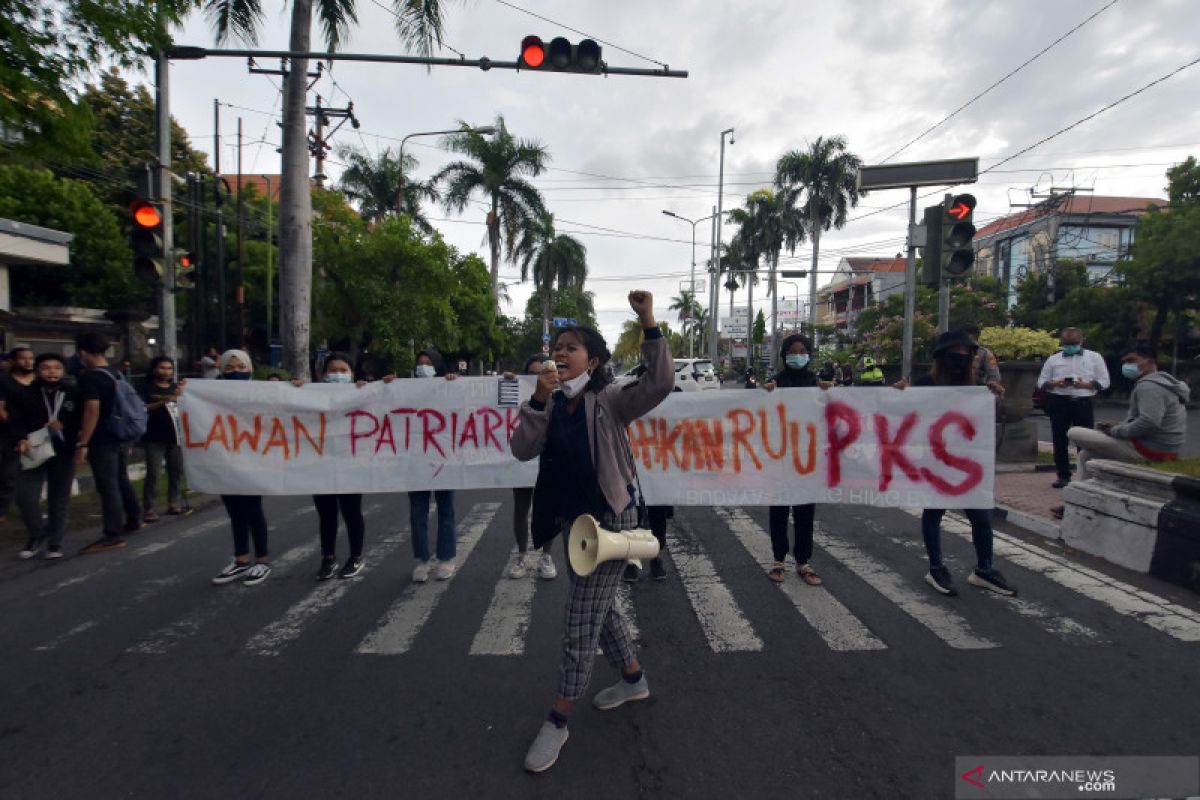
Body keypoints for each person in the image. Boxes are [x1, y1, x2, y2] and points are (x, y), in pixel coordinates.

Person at [512, 290, 672, 774]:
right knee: (599, 610)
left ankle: (558, 720)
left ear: (593, 360)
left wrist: (647, 320)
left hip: (609, 520)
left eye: (571, 348)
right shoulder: (549, 402)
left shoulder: (610, 398)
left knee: (579, 619)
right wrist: (538, 398)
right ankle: (633, 677)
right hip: (570, 521)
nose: (560, 354)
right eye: (556, 347)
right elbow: (522, 449)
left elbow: (660, 381)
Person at [898, 329, 1015, 597]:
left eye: (966, 356)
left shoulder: (977, 389)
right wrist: (901, 395)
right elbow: (905, 415)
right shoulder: (927, 383)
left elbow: (986, 422)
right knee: (934, 512)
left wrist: (993, 397)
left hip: (968, 463)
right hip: (936, 459)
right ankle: (936, 567)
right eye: (955, 355)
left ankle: (984, 570)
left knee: (981, 517)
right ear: (942, 357)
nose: (960, 360)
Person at [763, 334, 832, 585]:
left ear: (809, 354)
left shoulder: (817, 383)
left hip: (807, 459)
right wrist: (766, 392)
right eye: (792, 351)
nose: (797, 355)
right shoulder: (776, 382)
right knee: (779, 511)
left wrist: (829, 392)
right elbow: (758, 407)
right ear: (784, 355)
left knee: (805, 511)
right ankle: (778, 560)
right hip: (780, 457)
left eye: (802, 350)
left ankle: (803, 562)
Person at [1067, 345, 1190, 478]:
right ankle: (1082, 489)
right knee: (1087, 454)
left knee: (1074, 432)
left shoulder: (1149, 386)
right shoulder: (1164, 383)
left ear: (1150, 362)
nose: (1126, 366)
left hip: (1150, 450)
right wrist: (1119, 426)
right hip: (1165, 448)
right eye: (1125, 362)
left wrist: (1115, 431)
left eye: (1131, 361)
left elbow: (1149, 422)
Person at [203, 350, 273, 585]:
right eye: (229, 368)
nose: (236, 372)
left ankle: (262, 560)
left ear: (250, 369)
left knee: (253, 509)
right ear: (221, 371)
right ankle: (241, 559)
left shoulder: (263, 392)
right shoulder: (209, 394)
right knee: (234, 511)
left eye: (241, 367)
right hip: (225, 459)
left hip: (253, 460)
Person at [74, 332, 142, 554]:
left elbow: (92, 409)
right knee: (121, 479)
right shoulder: (117, 374)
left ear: (83, 352)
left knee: (108, 485)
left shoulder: (90, 377)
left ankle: (112, 534)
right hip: (121, 435)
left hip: (102, 439)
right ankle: (134, 518)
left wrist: (84, 442)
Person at [13, 354, 81, 559]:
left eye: (57, 368)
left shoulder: (73, 393)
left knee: (58, 498)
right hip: (34, 449)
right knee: (25, 497)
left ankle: (55, 543)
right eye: (46, 368)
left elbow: (82, 419)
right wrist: (21, 438)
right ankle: (37, 533)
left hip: (63, 450)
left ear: (63, 371)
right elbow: (16, 419)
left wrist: (67, 427)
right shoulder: (25, 393)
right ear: (37, 371)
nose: (51, 372)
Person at [308, 352, 368, 580]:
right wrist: (296, 389)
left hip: (351, 464)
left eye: (343, 371)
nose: (337, 375)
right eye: (332, 370)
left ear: (352, 374)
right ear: (323, 374)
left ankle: (355, 556)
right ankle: (328, 558)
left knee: (351, 512)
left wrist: (377, 388)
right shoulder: (311, 396)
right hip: (320, 464)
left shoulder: (362, 394)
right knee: (327, 515)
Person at [407, 349, 459, 582]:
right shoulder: (404, 389)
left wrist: (455, 384)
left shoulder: (450, 386)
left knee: (445, 509)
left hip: (443, 459)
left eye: (428, 364)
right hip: (416, 460)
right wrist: (386, 385)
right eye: (420, 364)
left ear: (438, 366)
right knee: (417, 512)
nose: (423, 368)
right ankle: (422, 560)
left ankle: (446, 558)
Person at [505, 354, 558, 581]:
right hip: (522, 462)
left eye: (542, 372)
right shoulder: (516, 387)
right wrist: (506, 379)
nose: (539, 377)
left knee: (547, 510)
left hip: (548, 461)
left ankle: (546, 556)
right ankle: (522, 554)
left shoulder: (559, 394)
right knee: (521, 509)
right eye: (533, 373)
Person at [1037, 327, 1110, 489]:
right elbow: (1041, 382)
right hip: (1059, 400)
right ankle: (1063, 475)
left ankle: (1085, 475)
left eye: (1074, 343)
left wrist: (1087, 384)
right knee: (1059, 439)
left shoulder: (1094, 357)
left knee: (1085, 440)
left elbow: (1105, 381)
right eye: (1067, 343)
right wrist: (1054, 383)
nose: (1070, 346)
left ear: (1082, 341)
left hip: (1083, 401)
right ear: (1061, 343)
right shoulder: (1053, 359)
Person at [140, 356, 188, 522]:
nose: (166, 371)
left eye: (169, 368)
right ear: (154, 369)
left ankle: (174, 502)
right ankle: (149, 508)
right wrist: (165, 401)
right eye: (162, 368)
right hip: (153, 436)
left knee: (176, 471)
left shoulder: (176, 388)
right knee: (153, 473)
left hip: (175, 436)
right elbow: (141, 408)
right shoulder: (145, 388)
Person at [0, 346, 37, 519]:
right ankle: (3, 509)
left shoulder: (38, 380)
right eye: (23, 358)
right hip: (10, 432)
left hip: (37, 432)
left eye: (30, 358)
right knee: (9, 472)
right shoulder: (4, 381)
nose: (28, 362)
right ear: (13, 361)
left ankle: (30, 507)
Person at [960, 323, 1003, 394]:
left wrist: (989, 390)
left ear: (972, 336)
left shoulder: (985, 353)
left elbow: (994, 375)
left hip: (976, 393)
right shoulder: (956, 351)